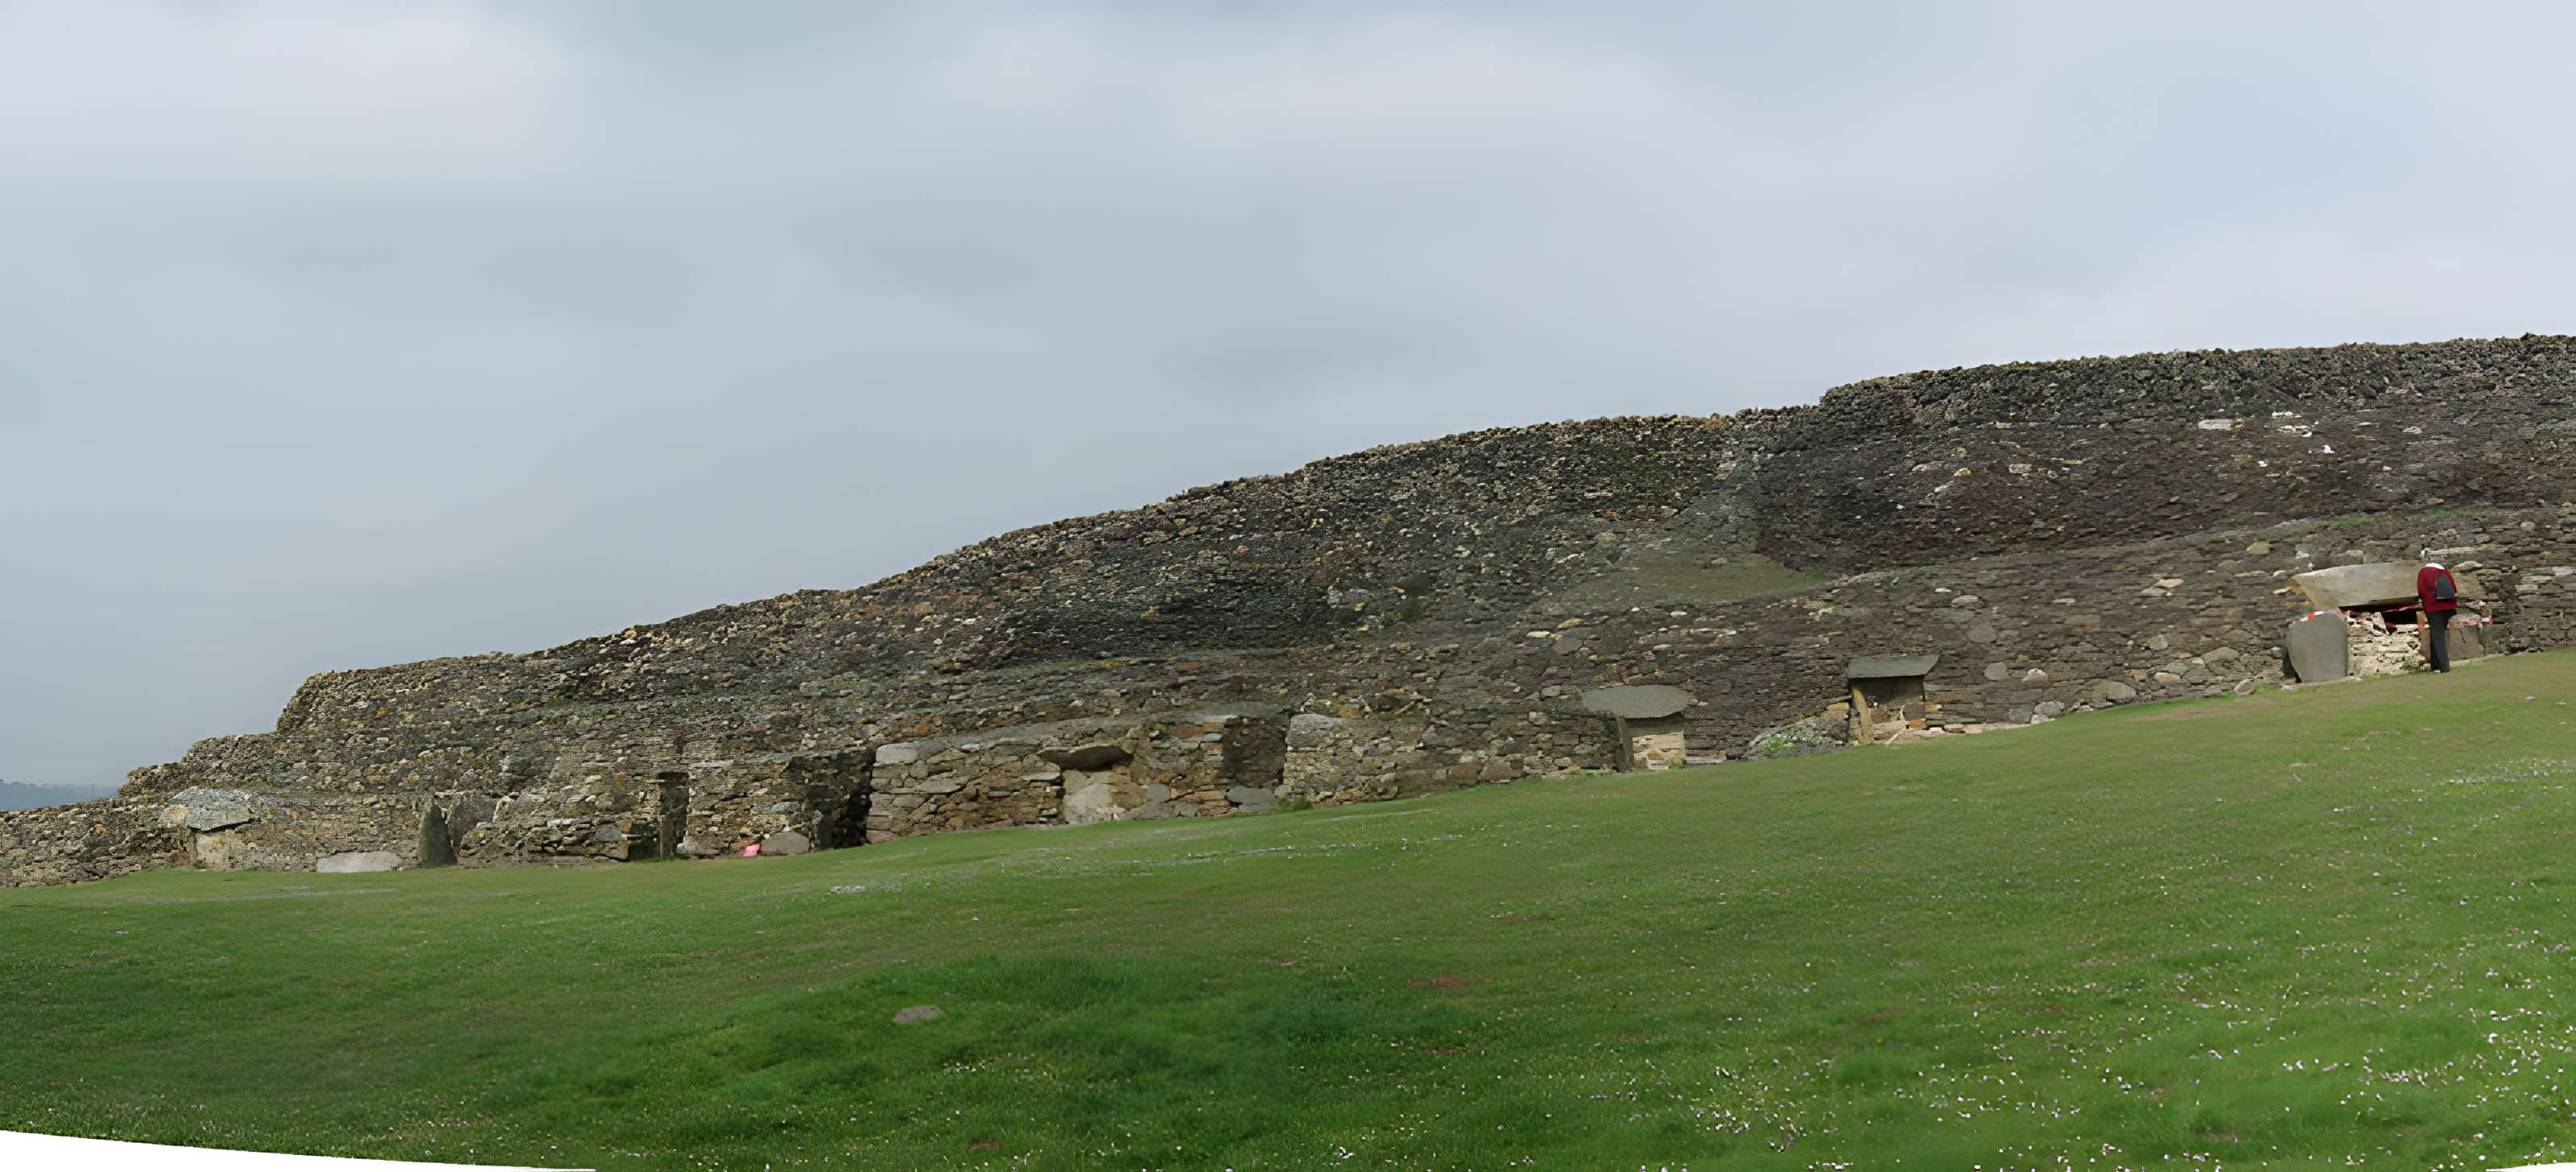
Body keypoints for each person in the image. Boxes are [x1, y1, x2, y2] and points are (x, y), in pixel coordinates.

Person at [2416, 561, 2459, 673]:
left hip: (2433, 607)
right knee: (2437, 634)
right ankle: (2435, 664)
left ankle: (2444, 666)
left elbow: (2421, 590)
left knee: (2438, 636)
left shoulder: (2424, 572)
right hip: (2449, 606)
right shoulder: (2444, 571)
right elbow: (2454, 588)